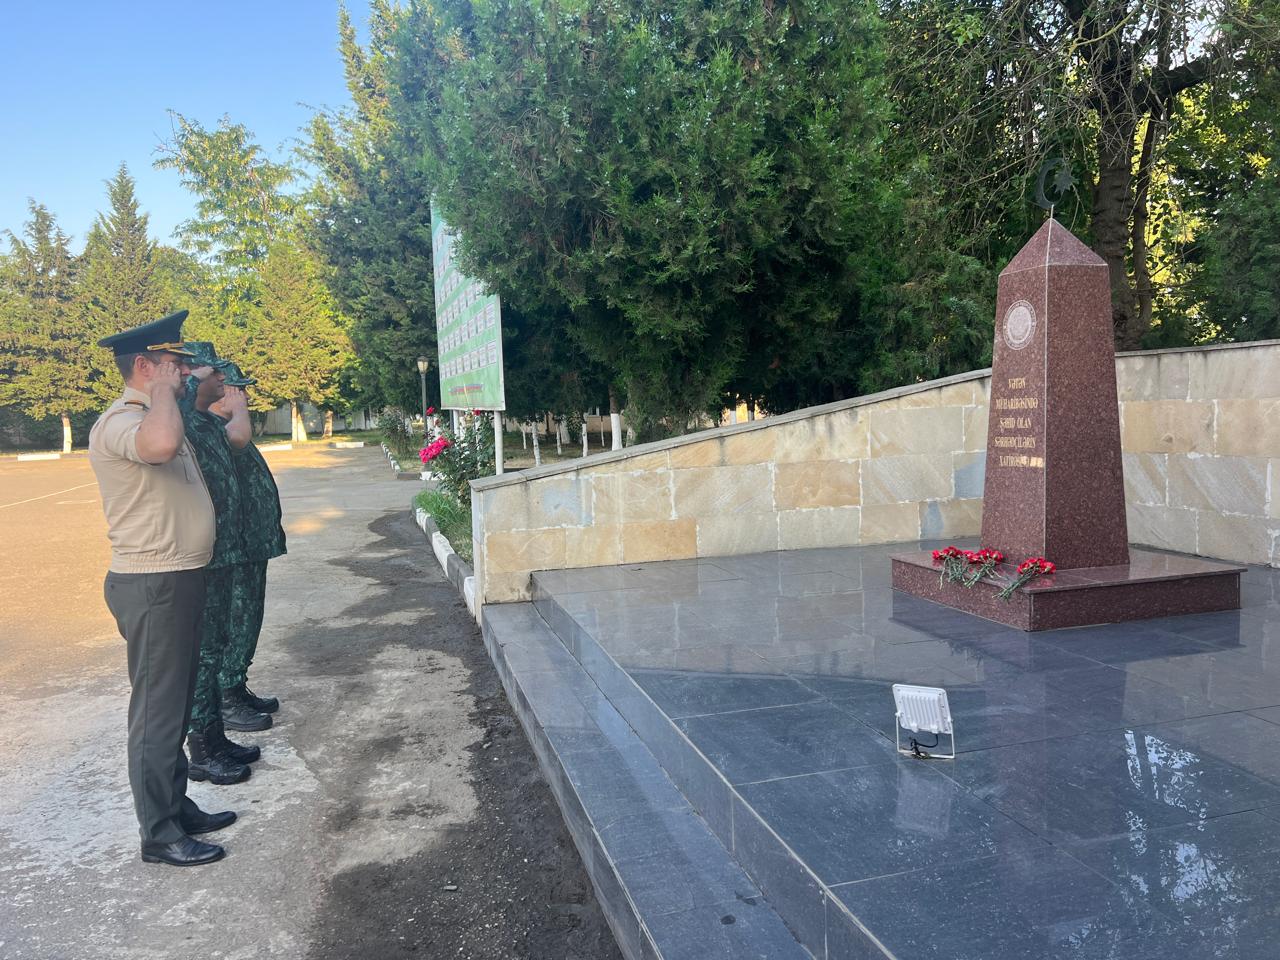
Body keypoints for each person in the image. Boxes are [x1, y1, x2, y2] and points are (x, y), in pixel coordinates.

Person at [88, 310, 235, 868]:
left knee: (172, 706)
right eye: (172, 363)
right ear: (145, 367)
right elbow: (161, 446)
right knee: (157, 713)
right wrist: (162, 392)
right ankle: (159, 832)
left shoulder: (154, 411)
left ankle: (176, 807)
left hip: (177, 577)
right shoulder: (122, 421)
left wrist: (173, 391)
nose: (183, 371)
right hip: (154, 584)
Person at [177, 342, 259, 783]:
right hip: (204, 557)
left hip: (224, 552)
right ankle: (202, 749)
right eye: (217, 374)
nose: (225, 383)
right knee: (204, 654)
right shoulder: (185, 420)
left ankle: (215, 737)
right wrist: (190, 376)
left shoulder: (206, 423)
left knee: (216, 645)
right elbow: (180, 401)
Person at [214, 362, 287, 731]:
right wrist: (238, 412)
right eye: (235, 389)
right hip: (234, 549)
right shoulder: (216, 432)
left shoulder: (228, 428)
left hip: (252, 544)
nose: (243, 396)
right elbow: (237, 442)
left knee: (248, 618)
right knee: (235, 620)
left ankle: (236, 685)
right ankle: (225, 697)